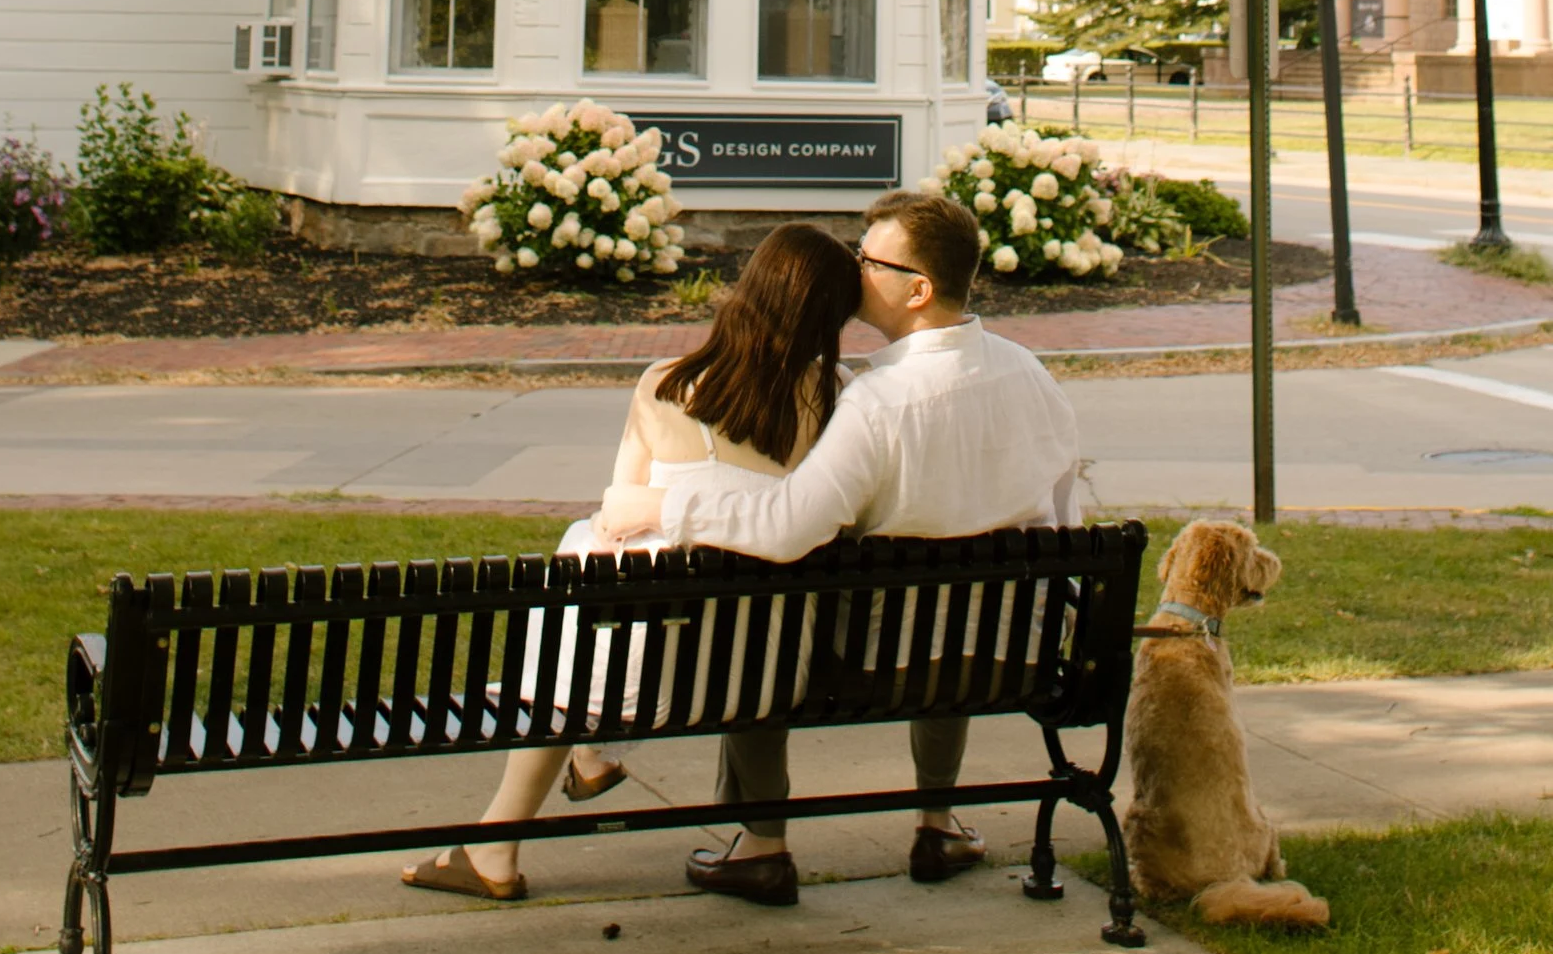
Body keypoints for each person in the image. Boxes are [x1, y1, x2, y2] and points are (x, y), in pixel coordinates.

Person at [603, 187, 1085, 910]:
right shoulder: (1032, 373)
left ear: (917, 288)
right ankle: (935, 822)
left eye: (870, 259)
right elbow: (1063, 506)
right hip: (1019, 651)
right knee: (958, 591)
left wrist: (666, 502)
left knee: (756, 599)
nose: (856, 268)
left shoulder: (875, 402)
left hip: (877, 664)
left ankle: (764, 841)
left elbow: (787, 527)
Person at [400, 220, 863, 902]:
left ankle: (506, 833)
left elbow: (618, 509)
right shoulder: (837, 397)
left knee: (588, 553)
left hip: (647, 682)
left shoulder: (664, 385)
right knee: (742, 615)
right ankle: (763, 839)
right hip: (765, 675)